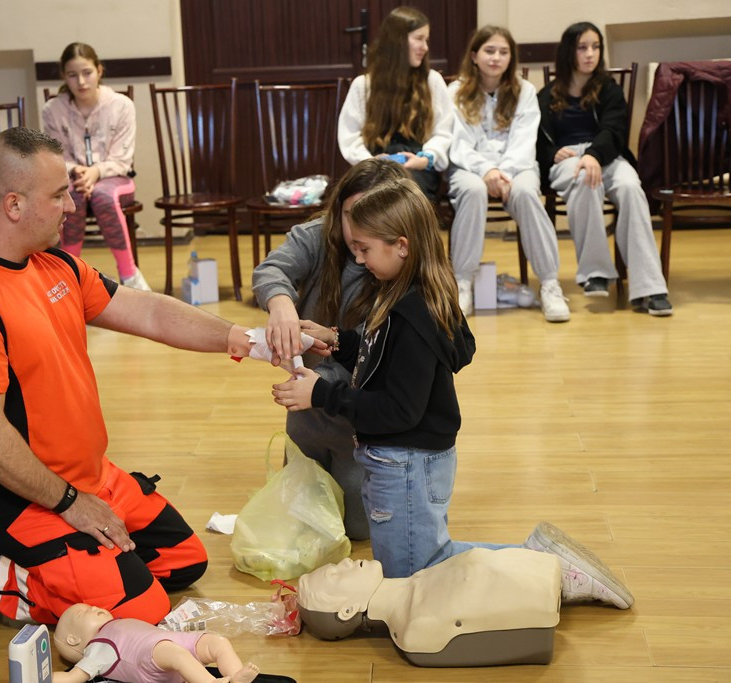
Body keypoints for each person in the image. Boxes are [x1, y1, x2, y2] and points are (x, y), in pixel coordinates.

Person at [0, 127, 259, 626]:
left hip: (91, 477)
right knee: (143, 608)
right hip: (23, 498)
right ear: (13, 205)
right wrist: (71, 503)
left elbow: (149, 314)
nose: (71, 208)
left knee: (183, 560)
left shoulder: (53, 262)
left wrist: (248, 340)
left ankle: (75, 563)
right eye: (58, 196)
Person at [269, 179, 629, 612]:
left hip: (404, 464)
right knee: (414, 569)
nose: (358, 258)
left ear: (401, 245)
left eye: (364, 248)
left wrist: (321, 393)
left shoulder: (409, 316)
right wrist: (337, 340)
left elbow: (398, 410)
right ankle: (541, 560)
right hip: (405, 463)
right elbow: (385, 349)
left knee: (424, 573)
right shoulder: (406, 293)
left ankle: (547, 566)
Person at [252, 158, 412, 541]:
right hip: (308, 417)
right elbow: (271, 271)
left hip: (359, 423)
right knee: (306, 528)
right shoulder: (316, 236)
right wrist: (281, 304)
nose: (356, 232)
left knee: (357, 531)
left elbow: (375, 361)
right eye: (349, 215)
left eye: (369, 222)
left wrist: (318, 386)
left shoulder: (398, 273)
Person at [296, 531, 630, 667]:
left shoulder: (415, 586)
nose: (341, 564)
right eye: (335, 576)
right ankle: (569, 582)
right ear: (348, 610)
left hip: (532, 578)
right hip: (537, 595)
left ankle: (563, 576)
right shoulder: (416, 633)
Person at [536, 22, 672, 316]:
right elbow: (536, 141)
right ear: (568, 51)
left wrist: (595, 154)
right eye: (582, 47)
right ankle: (596, 272)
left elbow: (615, 130)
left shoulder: (609, 90)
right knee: (585, 179)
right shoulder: (546, 95)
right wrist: (551, 152)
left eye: (596, 47)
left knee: (630, 187)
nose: (590, 54)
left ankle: (650, 286)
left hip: (607, 155)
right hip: (568, 161)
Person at [447, 26, 570, 322]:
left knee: (527, 192)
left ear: (511, 58)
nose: (496, 58)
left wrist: (502, 173)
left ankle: (550, 284)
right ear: (474, 55)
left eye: (503, 52)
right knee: (474, 190)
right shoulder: (455, 92)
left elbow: (525, 141)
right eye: (489, 51)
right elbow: (457, 143)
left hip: (517, 167)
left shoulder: (525, 91)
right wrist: (486, 170)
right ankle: (462, 283)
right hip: (469, 168)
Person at [41, 42, 150, 291]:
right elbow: (54, 155)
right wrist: (76, 170)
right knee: (72, 197)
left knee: (101, 195)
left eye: (87, 72)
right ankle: (68, 273)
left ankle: (130, 275)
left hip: (115, 179)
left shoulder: (122, 106)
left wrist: (96, 172)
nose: (81, 81)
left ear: (99, 71)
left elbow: (122, 160)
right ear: (63, 77)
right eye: (72, 75)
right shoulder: (53, 110)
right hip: (74, 179)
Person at [336, 6, 453, 200]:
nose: (425, 47)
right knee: (367, 193)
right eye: (419, 39)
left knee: (406, 190)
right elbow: (350, 136)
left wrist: (425, 158)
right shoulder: (363, 85)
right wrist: (370, 162)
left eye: (426, 40)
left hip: (418, 165)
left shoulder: (432, 81)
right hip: (374, 166)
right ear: (397, 41)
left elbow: (444, 131)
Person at [52, 603, 260, 683]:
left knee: (217, 642)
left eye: (90, 605)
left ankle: (235, 678)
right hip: (152, 659)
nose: (93, 607)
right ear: (74, 639)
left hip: (167, 643)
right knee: (176, 654)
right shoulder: (97, 648)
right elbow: (72, 677)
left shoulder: (116, 624)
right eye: (83, 612)